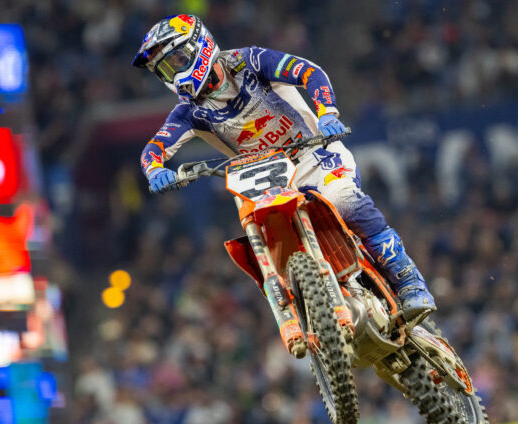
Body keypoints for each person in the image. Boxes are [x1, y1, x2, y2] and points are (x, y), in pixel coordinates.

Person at [131, 14, 434, 320]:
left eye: (177, 61)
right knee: (265, 242)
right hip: (266, 178)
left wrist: (327, 113)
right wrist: (154, 170)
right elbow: (154, 149)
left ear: (200, 45)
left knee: (343, 200)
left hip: (314, 153)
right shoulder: (189, 111)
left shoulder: (248, 62)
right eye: (165, 69)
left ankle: (409, 282)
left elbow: (308, 71)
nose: (174, 73)